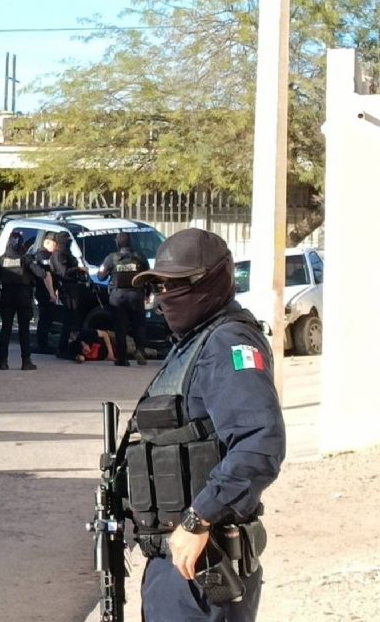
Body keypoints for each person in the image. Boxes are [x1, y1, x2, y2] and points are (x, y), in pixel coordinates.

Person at [116, 228, 285, 621]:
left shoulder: (228, 344)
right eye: (160, 284)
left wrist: (198, 518)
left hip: (205, 563)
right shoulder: (195, 342)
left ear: (214, 281)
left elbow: (260, 445)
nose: (165, 296)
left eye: (179, 284)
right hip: (177, 561)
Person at [0, 231, 47, 371]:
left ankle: (2, 362)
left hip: (6, 297)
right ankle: (26, 361)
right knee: (24, 331)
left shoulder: (2, 259)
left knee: (6, 330)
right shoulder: (25, 259)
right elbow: (40, 274)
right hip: (23, 297)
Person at [96, 231, 149, 366]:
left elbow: (100, 276)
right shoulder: (139, 257)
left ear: (117, 243)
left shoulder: (111, 258)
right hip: (136, 295)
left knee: (120, 328)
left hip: (118, 296)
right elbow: (148, 277)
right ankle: (140, 351)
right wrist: (147, 294)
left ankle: (122, 358)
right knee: (139, 325)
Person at [49, 231, 87, 357]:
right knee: (68, 320)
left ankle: (69, 347)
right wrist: (78, 269)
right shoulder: (58, 254)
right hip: (66, 289)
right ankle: (62, 349)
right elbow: (63, 272)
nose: (69, 242)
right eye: (67, 239)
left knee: (72, 320)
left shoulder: (66, 253)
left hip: (73, 288)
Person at [32, 233, 58, 354]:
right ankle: (42, 345)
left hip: (45, 291)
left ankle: (43, 344)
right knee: (45, 319)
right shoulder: (43, 255)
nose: (56, 246)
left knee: (47, 319)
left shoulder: (46, 254)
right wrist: (52, 294)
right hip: (45, 292)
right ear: (47, 242)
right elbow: (47, 275)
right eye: (55, 243)